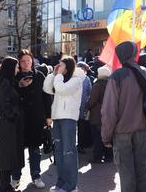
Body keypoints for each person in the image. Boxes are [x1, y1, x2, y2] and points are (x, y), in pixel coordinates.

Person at [101, 41, 146, 192]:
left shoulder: (117, 75)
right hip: (141, 129)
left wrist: (106, 136)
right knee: (141, 170)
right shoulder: (144, 72)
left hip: (122, 132)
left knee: (127, 173)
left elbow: (109, 110)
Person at [11, 50, 52, 190]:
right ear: (19, 63)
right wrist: (21, 86)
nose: (26, 63)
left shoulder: (40, 76)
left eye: (29, 60)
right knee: (17, 150)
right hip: (20, 119)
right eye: (23, 61)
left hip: (36, 118)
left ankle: (36, 176)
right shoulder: (14, 77)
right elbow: (11, 97)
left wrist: (48, 116)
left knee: (35, 150)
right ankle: (15, 177)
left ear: (32, 61)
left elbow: (47, 97)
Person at [43, 56, 85, 192]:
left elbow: (62, 89)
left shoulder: (77, 80)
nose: (59, 67)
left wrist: (58, 76)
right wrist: (53, 74)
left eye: (61, 65)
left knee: (69, 152)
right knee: (59, 152)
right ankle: (61, 183)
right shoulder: (59, 79)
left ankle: (71, 186)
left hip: (68, 119)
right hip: (57, 118)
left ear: (67, 67)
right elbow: (46, 88)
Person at [0, 57, 24, 192]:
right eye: (17, 66)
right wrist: (15, 113)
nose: (18, 69)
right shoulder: (5, 83)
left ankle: (6, 187)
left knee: (8, 159)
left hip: (9, 125)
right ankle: (3, 188)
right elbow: (5, 104)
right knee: (7, 159)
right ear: (10, 68)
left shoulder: (8, 82)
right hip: (7, 126)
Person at [87, 65, 113, 163]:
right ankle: (109, 156)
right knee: (107, 136)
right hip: (109, 114)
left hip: (97, 114)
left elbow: (92, 100)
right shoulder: (111, 84)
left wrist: (87, 105)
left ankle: (97, 157)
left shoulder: (98, 84)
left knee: (97, 137)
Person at [76, 61, 92, 154]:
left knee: (79, 128)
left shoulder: (86, 79)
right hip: (79, 108)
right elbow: (90, 92)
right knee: (79, 128)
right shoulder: (86, 79)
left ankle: (79, 145)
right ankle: (79, 146)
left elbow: (89, 92)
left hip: (79, 108)